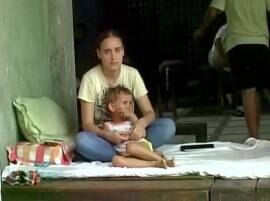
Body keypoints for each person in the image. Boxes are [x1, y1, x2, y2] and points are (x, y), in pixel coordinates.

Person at [75, 29, 176, 162]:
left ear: (123, 51)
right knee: (81, 140)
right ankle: (136, 154)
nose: (113, 57)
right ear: (99, 54)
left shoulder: (132, 74)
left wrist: (140, 124)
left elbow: (149, 112)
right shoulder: (90, 79)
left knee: (168, 126)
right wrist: (108, 135)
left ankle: (130, 154)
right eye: (107, 51)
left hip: (133, 136)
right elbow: (87, 124)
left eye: (117, 50)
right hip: (106, 140)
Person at [193, 0, 270, 138]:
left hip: (239, 42)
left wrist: (201, 29)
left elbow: (213, 11)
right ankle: (256, 135)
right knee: (257, 90)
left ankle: (254, 137)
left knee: (248, 90)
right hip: (261, 43)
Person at [103, 85, 175, 168]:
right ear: (112, 107)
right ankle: (154, 163)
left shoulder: (130, 121)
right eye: (125, 103)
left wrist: (133, 116)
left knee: (131, 147)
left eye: (130, 103)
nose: (129, 106)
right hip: (126, 154)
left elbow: (139, 130)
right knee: (116, 160)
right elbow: (107, 138)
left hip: (139, 145)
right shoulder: (108, 125)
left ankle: (163, 160)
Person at [208, 24, 244, 116]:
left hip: (229, 60)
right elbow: (217, 42)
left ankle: (233, 106)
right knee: (225, 81)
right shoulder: (225, 28)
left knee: (233, 81)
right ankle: (223, 105)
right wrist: (224, 58)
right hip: (218, 58)